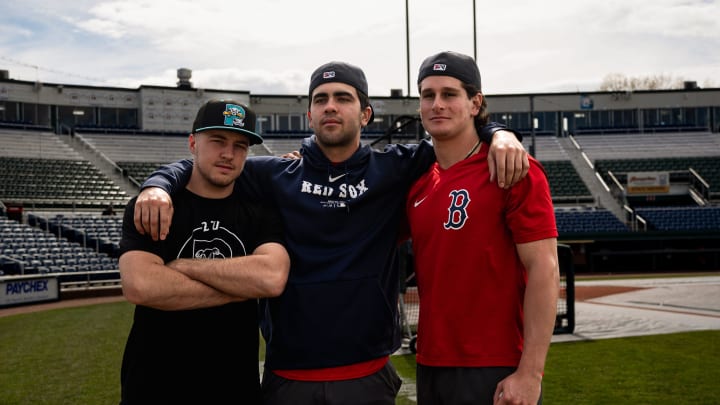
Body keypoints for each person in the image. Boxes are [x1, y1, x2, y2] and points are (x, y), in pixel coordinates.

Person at [133, 61, 529, 404]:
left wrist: (499, 132)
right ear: (309, 116)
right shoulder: (275, 175)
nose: (330, 107)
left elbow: (457, 133)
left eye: (343, 98)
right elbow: (209, 163)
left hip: (367, 374)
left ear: (366, 114)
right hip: (289, 376)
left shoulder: (397, 168)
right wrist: (158, 184)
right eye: (320, 99)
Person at [407, 51, 560, 405]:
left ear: (476, 103)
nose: (437, 104)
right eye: (427, 95)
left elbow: (544, 270)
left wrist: (530, 373)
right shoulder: (417, 185)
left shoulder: (513, 170)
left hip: (495, 365)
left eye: (449, 94)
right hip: (431, 362)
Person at [118, 99, 290, 405]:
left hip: (234, 388)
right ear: (193, 143)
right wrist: (242, 287)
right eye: (218, 141)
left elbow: (271, 278)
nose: (228, 154)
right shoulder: (154, 207)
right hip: (153, 386)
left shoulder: (260, 212)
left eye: (240, 145)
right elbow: (141, 285)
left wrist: (183, 267)